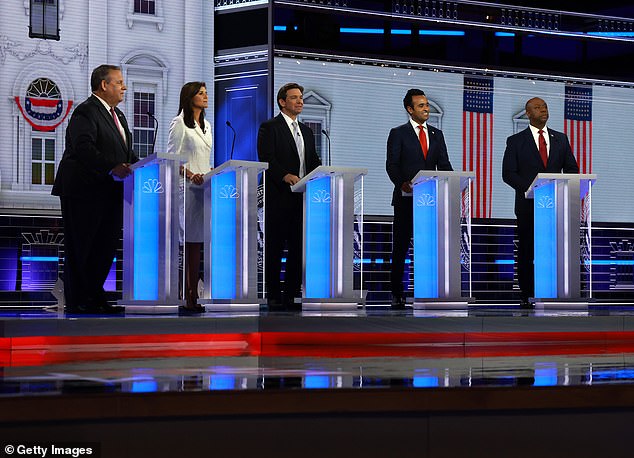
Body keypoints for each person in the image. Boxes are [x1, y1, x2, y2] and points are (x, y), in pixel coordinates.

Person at [52, 64, 138, 314]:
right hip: (83, 190)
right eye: (119, 82)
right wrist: (113, 167)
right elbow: (84, 148)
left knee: (104, 247)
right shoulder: (86, 111)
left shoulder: (118, 116)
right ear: (104, 85)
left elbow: (125, 153)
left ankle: (95, 295)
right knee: (83, 246)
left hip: (110, 192)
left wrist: (145, 163)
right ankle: (78, 300)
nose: (124, 87)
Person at [502, 97, 579, 308]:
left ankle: (555, 292)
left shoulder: (561, 139)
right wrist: (532, 188)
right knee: (527, 250)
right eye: (537, 108)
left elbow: (572, 170)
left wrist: (559, 188)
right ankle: (527, 294)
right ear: (528, 113)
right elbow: (508, 174)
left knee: (554, 249)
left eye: (544, 107)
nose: (542, 110)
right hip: (528, 206)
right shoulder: (516, 141)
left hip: (555, 207)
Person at [386, 88, 453, 309]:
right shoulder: (398, 133)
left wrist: (454, 182)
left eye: (427, 105)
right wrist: (402, 183)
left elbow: (444, 165)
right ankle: (397, 293)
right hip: (406, 199)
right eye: (421, 105)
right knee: (402, 246)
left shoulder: (437, 134)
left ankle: (429, 290)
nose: (427, 109)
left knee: (430, 247)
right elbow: (392, 165)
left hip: (431, 202)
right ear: (410, 109)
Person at [257, 82, 321, 311]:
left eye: (301, 97)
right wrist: (284, 175)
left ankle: (293, 293)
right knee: (275, 246)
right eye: (294, 97)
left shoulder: (306, 131)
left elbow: (312, 160)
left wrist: (322, 174)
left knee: (297, 246)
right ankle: (273, 294)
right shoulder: (270, 127)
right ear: (282, 102)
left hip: (302, 197)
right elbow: (266, 158)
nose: (300, 101)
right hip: (279, 195)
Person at [167, 82, 212, 313]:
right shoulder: (179, 124)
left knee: (199, 243)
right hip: (187, 187)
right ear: (189, 97)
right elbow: (171, 159)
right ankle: (187, 294)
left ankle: (194, 292)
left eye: (206, 93)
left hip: (204, 189)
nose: (205, 96)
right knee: (189, 243)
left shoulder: (207, 125)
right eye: (200, 93)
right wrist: (190, 173)